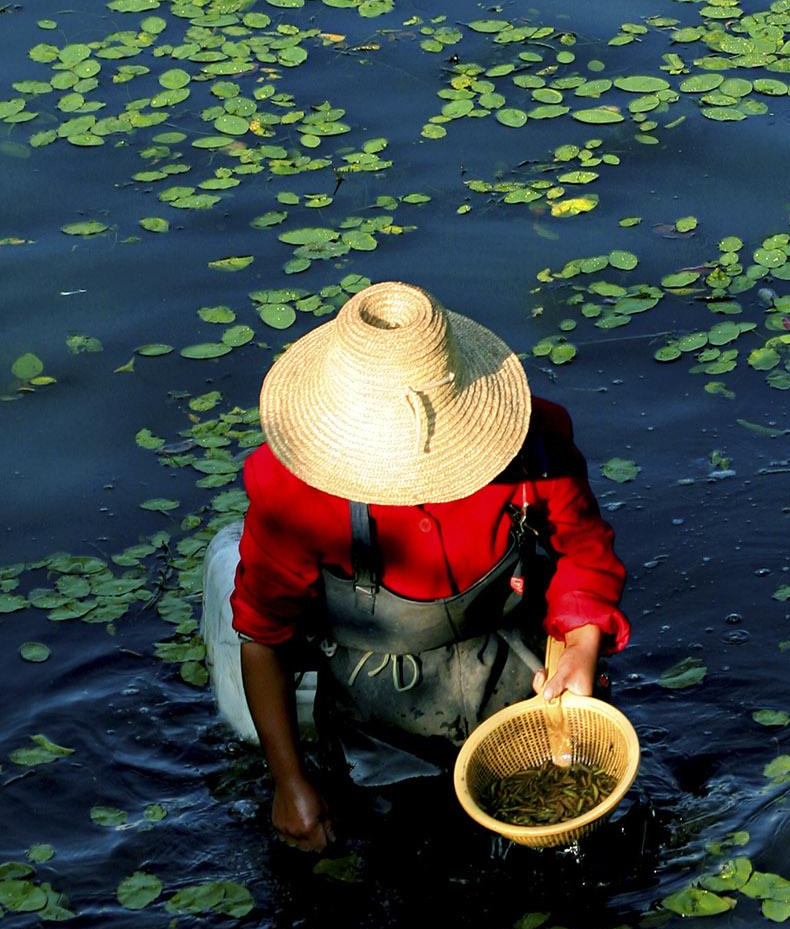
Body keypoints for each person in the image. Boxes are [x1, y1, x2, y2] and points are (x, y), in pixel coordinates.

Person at [227, 279, 628, 851]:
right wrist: (289, 783)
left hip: (520, 689)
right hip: (380, 725)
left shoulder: (531, 443)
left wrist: (582, 649)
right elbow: (263, 636)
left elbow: (585, 555)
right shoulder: (293, 492)